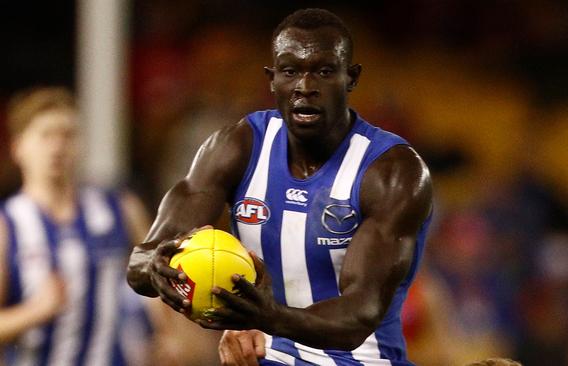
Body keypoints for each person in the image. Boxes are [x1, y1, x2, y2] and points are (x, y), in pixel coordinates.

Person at [127, 8, 433, 366]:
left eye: (323, 71)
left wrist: (267, 317)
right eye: (290, 71)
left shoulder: (393, 171)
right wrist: (159, 270)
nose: (305, 87)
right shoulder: (236, 146)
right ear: (272, 80)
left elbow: (358, 317)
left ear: (351, 77)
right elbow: (141, 261)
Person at [0, 87, 153, 365]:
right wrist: (35, 311)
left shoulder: (120, 209)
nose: (57, 147)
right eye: (45, 135)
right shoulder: (8, 225)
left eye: (67, 135)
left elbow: (158, 288)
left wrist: (169, 335)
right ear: (18, 146)